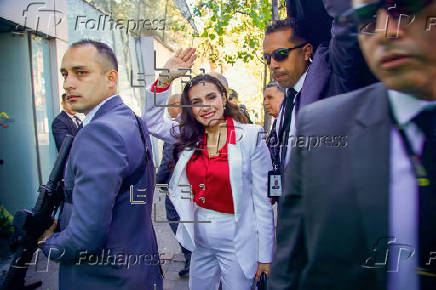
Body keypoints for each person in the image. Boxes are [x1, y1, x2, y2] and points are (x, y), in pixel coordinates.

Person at [270, 0, 436, 289]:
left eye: (404, 9)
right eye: (368, 18)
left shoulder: (325, 83)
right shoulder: (320, 128)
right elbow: (290, 271)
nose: (385, 32)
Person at [144, 48, 274, 290]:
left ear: (224, 98)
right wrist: (164, 79)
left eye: (211, 97)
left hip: (237, 238)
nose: (205, 106)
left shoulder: (251, 136)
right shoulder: (188, 136)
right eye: (196, 102)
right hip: (199, 236)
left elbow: (263, 201)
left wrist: (265, 256)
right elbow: (151, 121)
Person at [39, 40, 162, 290]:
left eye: (81, 72)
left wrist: (47, 243)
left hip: (103, 278)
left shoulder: (99, 132)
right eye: (65, 74)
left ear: (110, 78)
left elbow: (85, 238)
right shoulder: (131, 120)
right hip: (137, 269)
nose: (68, 83)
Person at [155, 93, 192, 277]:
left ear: (177, 106)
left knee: (176, 218)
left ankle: (190, 256)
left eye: (169, 106)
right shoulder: (189, 125)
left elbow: (167, 159)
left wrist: (159, 182)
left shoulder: (177, 128)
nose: (168, 110)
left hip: (175, 184)